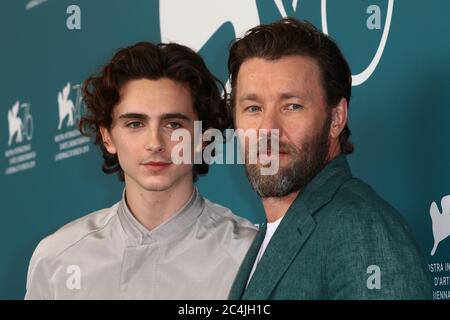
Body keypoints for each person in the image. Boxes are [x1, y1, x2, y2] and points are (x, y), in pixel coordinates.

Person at [25, 42, 257, 299]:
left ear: (202, 136)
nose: (155, 143)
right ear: (108, 137)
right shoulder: (57, 258)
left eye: (173, 124)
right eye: (135, 123)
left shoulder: (249, 257)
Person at [227, 18, 431, 299]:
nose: (268, 129)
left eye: (292, 106)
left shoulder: (362, 229)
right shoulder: (273, 233)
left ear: (336, 118)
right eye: (252, 108)